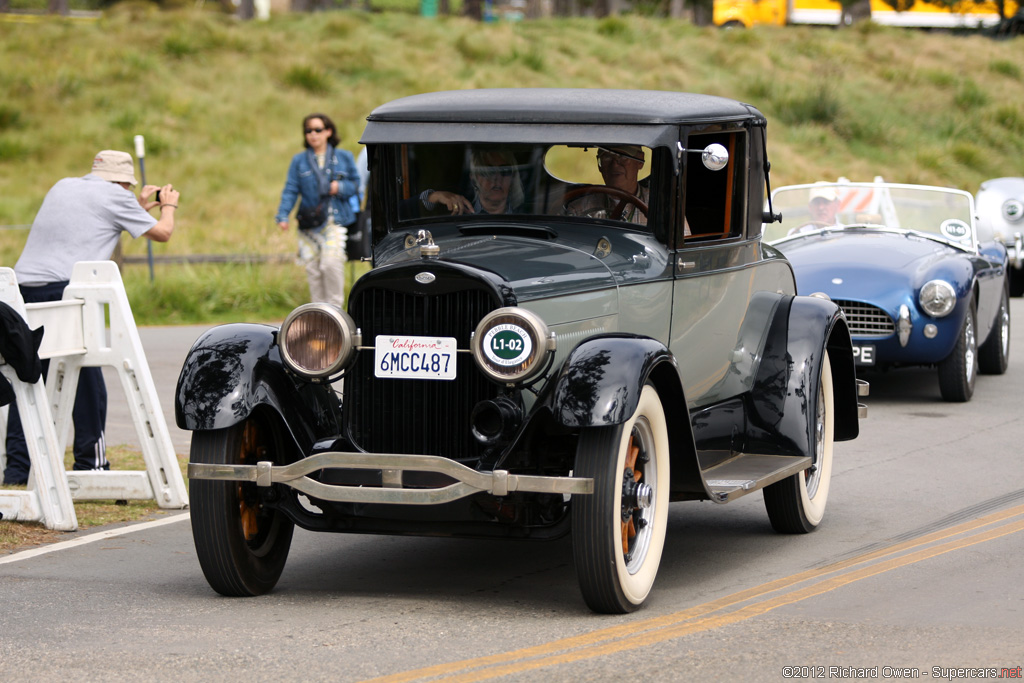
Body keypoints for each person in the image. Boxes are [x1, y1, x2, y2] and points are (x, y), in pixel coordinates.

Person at [3, 150, 179, 485]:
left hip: (23, 288)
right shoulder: (117, 197)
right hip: (64, 289)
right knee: (85, 374)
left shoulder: (63, 185)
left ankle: (16, 470)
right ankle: (90, 463)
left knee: (28, 374)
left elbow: (97, 223)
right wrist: (168, 205)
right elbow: (163, 233)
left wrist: (135, 207)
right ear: (125, 181)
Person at [275, 113, 359, 308]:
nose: (313, 134)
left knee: (330, 264)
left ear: (328, 131)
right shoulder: (299, 161)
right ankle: (319, 314)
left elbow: (356, 184)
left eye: (318, 130)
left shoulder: (344, 157)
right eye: (308, 131)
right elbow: (290, 189)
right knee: (313, 270)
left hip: (335, 220)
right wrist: (282, 215)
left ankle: (335, 312)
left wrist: (340, 187)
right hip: (309, 223)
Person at [416, 148, 524, 216]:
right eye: (488, 172)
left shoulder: (526, 219)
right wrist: (434, 196)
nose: (497, 178)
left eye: (504, 171)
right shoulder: (456, 215)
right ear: (474, 179)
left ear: (513, 177)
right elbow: (405, 210)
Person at [565, 145, 649, 225]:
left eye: (622, 157)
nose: (614, 164)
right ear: (599, 166)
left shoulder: (657, 208)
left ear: (640, 161)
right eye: (607, 157)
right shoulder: (578, 210)